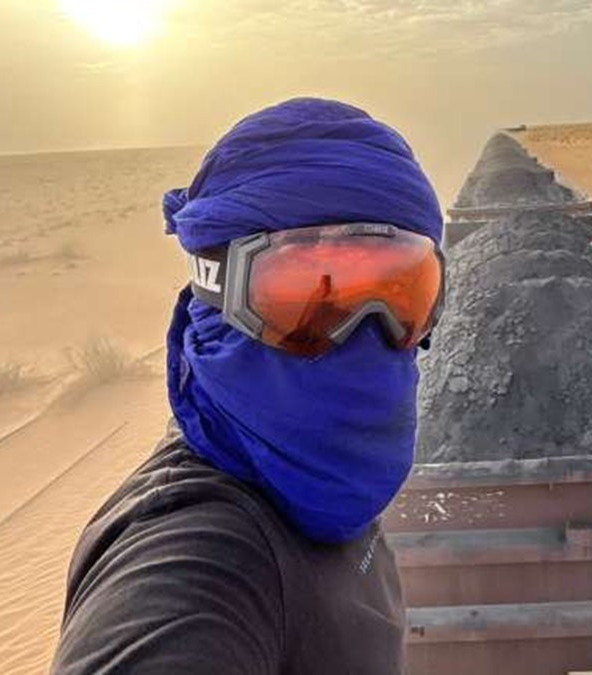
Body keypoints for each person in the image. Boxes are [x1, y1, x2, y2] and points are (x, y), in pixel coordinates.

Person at [50, 98, 444, 674]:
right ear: (217, 297)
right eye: (307, 295)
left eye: (403, 294)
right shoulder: (193, 557)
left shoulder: (318, 484)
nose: (361, 333)